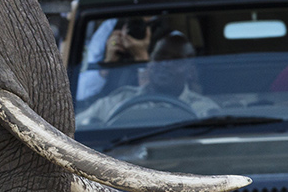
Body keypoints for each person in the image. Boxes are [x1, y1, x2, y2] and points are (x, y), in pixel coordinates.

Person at [76, 0, 175, 100]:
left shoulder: (172, 38)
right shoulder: (109, 28)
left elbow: (172, 97)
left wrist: (142, 58)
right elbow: (80, 93)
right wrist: (107, 63)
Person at [77, 31, 218, 126]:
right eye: (160, 57)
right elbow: (75, 128)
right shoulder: (117, 102)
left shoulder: (204, 110)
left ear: (190, 71)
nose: (164, 65)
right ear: (149, 63)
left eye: (176, 60)